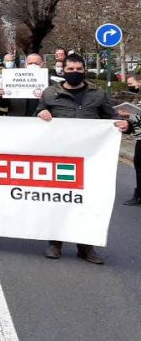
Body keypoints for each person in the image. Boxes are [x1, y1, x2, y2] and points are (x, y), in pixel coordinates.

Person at [37, 53, 130, 263]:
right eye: (70, 69)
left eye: (79, 69)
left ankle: (86, 247)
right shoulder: (50, 93)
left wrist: (125, 124)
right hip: (61, 157)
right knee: (59, 199)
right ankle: (55, 243)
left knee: (88, 201)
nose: (75, 72)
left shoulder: (98, 93)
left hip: (91, 158)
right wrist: (41, 113)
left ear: (84, 70)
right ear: (63, 71)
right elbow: (38, 115)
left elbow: (111, 116)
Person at [0, 53, 45, 117]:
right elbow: (2, 104)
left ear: (42, 64)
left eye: (36, 64)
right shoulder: (14, 78)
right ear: (25, 64)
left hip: (40, 120)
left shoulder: (49, 81)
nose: (33, 65)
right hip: (17, 119)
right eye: (30, 63)